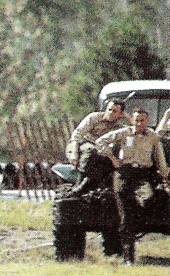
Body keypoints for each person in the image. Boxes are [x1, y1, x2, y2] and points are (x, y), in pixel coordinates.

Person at [96, 108, 170, 265]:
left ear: (147, 121)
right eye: (136, 120)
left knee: (148, 199)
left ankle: (138, 217)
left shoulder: (153, 137)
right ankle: (128, 258)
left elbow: (160, 159)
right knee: (126, 214)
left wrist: (165, 177)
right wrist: (112, 157)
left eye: (142, 120)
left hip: (142, 175)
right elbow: (100, 141)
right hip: (124, 174)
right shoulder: (124, 133)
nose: (139, 124)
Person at [65, 98, 128, 195]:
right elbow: (77, 135)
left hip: (102, 150)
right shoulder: (94, 118)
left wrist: (129, 118)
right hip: (83, 144)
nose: (110, 113)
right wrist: (74, 154)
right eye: (109, 109)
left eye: (115, 111)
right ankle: (79, 182)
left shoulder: (119, 127)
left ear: (120, 114)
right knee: (91, 150)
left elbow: (138, 131)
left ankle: (91, 185)